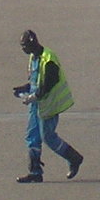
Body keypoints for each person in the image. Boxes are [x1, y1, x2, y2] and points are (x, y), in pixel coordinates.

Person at [12, 28, 84, 183]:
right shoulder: (33, 57)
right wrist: (25, 89)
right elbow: (35, 81)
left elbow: (49, 83)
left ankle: (74, 158)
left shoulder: (48, 59)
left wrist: (33, 96)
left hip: (49, 105)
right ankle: (35, 172)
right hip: (36, 104)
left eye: (24, 46)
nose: (23, 49)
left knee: (48, 137)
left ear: (33, 44)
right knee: (32, 136)